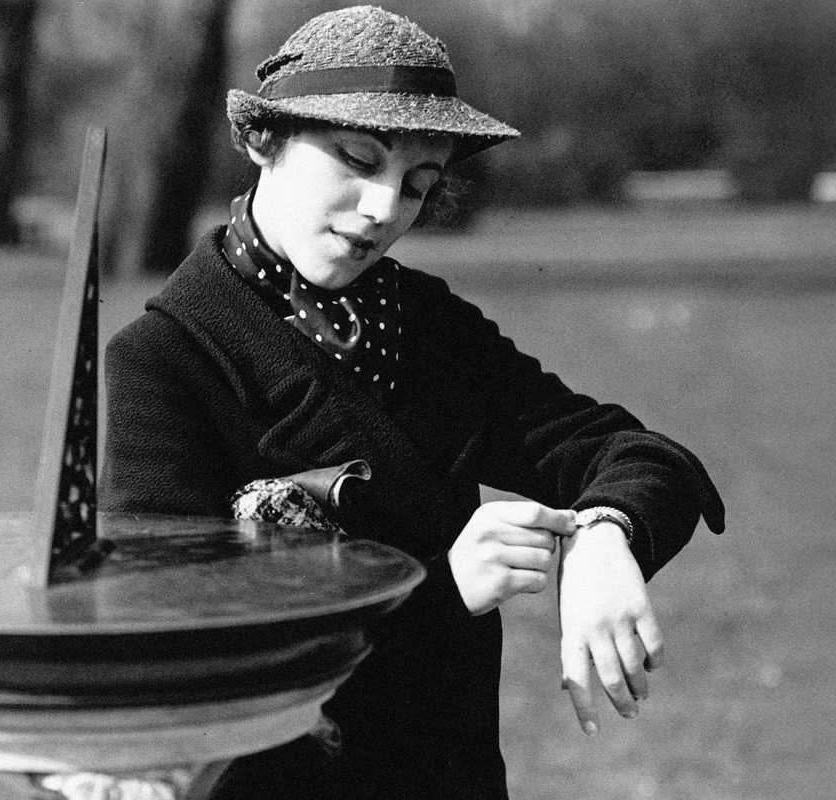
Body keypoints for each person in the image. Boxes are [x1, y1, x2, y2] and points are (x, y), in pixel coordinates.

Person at [101, 6, 725, 798]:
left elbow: (631, 454)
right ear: (263, 139)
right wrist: (442, 591)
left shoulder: (427, 326)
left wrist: (607, 533)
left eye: (417, 186)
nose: (383, 209)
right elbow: (176, 647)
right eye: (358, 160)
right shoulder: (166, 361)